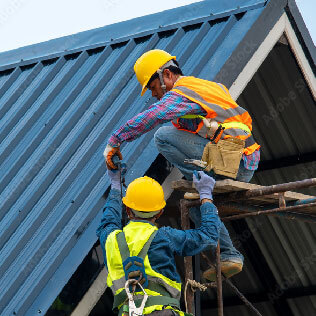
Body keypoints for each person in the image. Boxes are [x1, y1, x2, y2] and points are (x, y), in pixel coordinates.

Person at [103, 49, 257, 280]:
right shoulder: (209, 88)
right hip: (242, 162)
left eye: (154, 88)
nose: (155, 95)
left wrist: (115, 141)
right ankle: (228, 254)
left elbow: (154, 116)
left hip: (235, 161)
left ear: (166, 75)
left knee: (163, 135)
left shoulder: (184, 93)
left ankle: (200, 183)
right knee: (195, 202)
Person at [97, 170, 221, 315]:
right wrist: (206, 196)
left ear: (127, 210)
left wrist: (115, 185)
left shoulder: (110, 239)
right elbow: (209, 235)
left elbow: (108, 220)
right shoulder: (164, 237)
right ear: (160, 213)